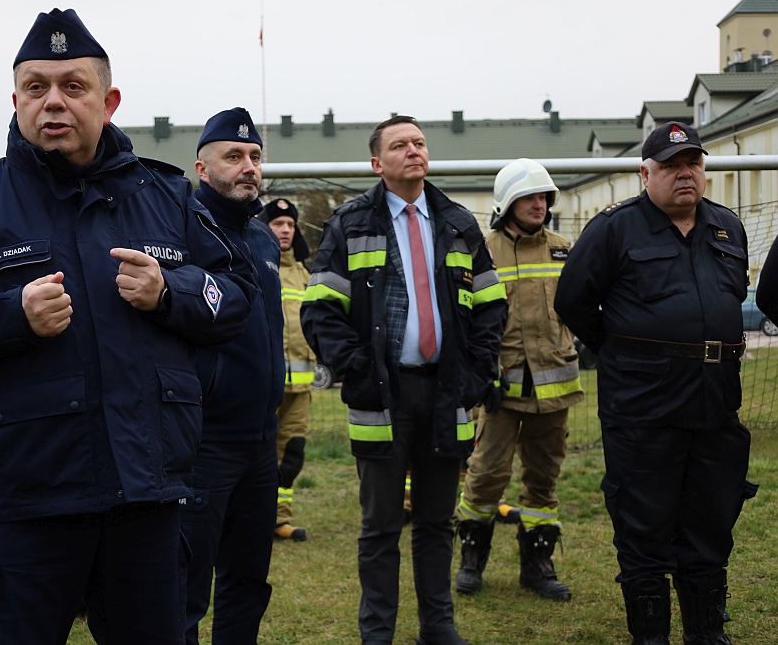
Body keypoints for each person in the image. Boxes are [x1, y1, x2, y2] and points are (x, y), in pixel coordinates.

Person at [0, 8, 254, 645]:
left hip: (146, 502)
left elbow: (235, 294)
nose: (54, 103)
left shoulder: (168, 196)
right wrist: (7, 314)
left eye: (74, 86)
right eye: (37, 87)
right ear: (15, 99)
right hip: (25, 504)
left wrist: (170, 293)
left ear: (110, 100)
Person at [301, 115, 507, 645]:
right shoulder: (349, 223)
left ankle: (438, 629)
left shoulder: (459, 222)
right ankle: (378, 633)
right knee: (380, 527)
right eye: (400, 145)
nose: (414, 150)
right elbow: (320, 309)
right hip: (380, 398)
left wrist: (475, 377)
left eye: (419, 142)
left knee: (438, 523)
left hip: (448, 394)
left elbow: (490, 307)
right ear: (377, 163)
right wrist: (359, 372)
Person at [554, 122, 758, 645]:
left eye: (692, 163)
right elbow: (573, 301)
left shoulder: (727, 228)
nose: (684, 174)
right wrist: (628, 353)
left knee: (710, 525)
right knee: (644, 530)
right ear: (646, 173)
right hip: (643, 410)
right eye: (670, 165)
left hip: (715, 407)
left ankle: (706, 635)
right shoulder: (615, 229)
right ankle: (651, 638)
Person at [454, 159, 583, 602]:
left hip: (556, 388)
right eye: (529, 197)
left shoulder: (566, 249)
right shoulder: (480, 250)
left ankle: (538, 566)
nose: (539, 204)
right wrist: (478, 374)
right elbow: (465, 318)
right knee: (486, 475)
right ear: (506, 202)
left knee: (543, 478)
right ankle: (472, 560)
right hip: (500, 388)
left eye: (544, 197)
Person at [181, 108, 283, 645]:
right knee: (187, 585)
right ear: (202, 166)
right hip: (205, 440)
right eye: (234, 156)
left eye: (255, 157)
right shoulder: (182, 230)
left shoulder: (265, 238)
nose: (249, 167)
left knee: (248, 578)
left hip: (260, 438)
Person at [261, 197, 315, 542]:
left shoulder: (305, 273)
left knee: (292, 454)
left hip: (302, 388)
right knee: (259, 454)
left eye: (290, 225)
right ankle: (253, 518)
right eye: (278, 223)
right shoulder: (254, 262)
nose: (285, 230)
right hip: (265, 384)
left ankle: (280, 519)